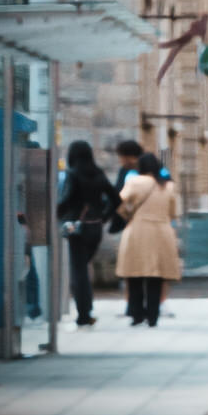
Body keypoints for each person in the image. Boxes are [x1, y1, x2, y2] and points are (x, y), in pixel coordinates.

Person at [56, 140, 121, 327]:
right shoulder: (98, 173)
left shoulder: (73, 174)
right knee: (83, 269)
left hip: (77, 228)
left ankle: (84, 314)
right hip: (95, 228)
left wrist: (55, 212)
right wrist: (104, 216)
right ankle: (87, 311)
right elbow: (116, 199)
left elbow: (67, 199)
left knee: (79, 272)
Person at [115, 151, 181, 327]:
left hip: (137, 230)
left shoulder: (134, 182)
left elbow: (119, 202)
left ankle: (136, 314)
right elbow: (174, 212)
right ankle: (153, 316)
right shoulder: (167, 186)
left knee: (134, 274)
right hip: (161, 231)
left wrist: (127, 214)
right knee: (156, 276)